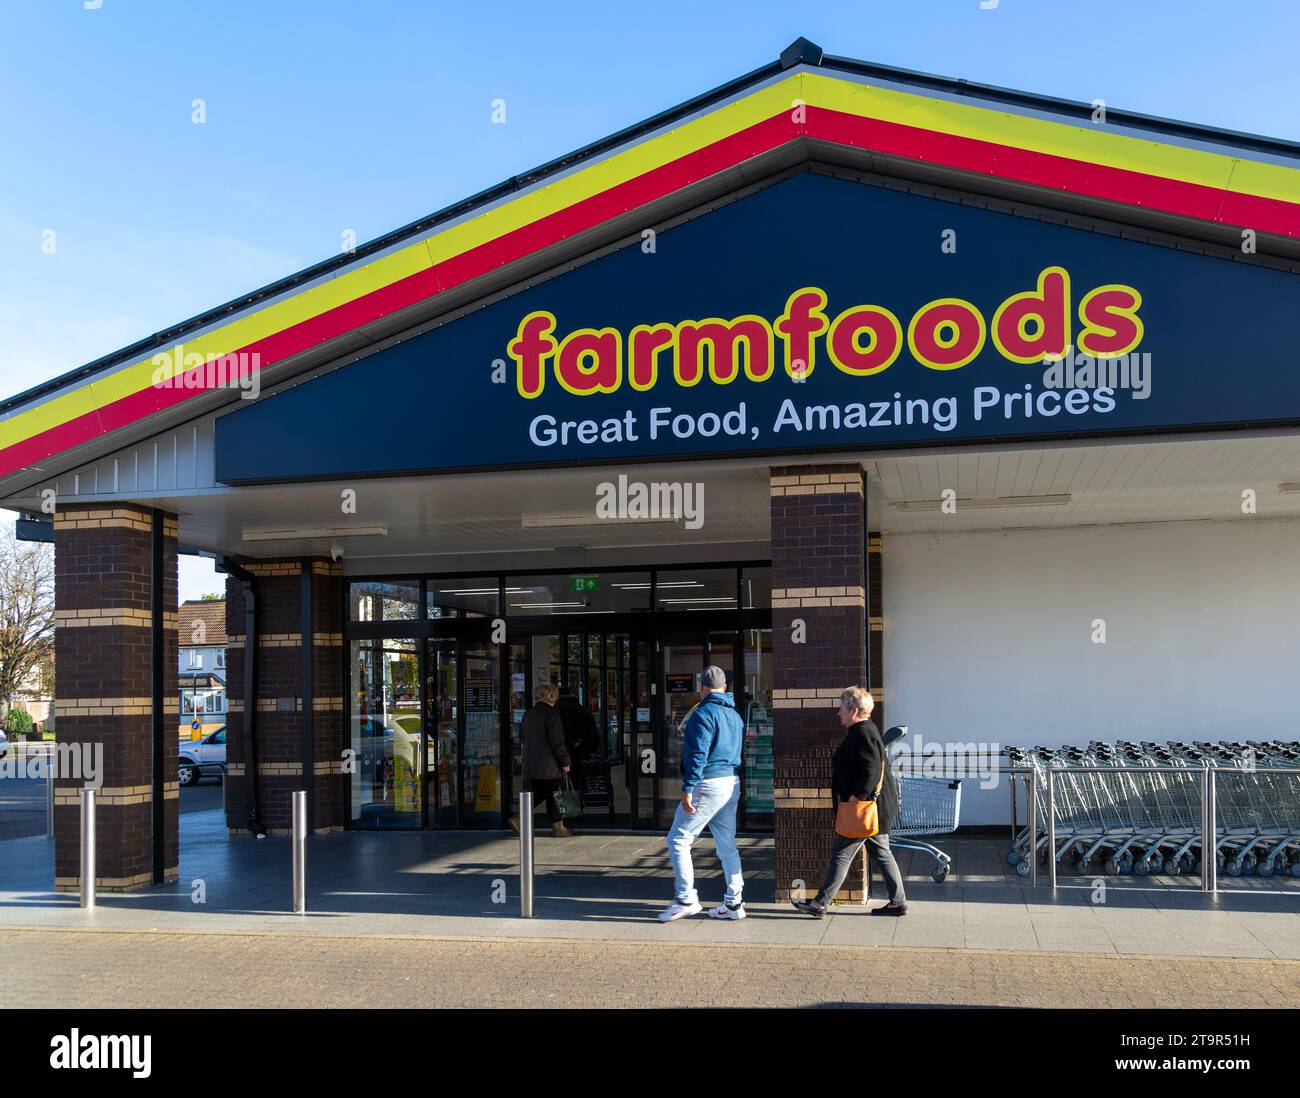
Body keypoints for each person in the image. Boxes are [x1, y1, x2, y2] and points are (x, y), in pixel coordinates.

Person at [792, 686, 907, 918]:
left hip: (863, 808)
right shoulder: (866, 729)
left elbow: (871, 770)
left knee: (841, 854)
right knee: (882, 853)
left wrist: (855, 799)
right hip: (874, 808)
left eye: (842, 708)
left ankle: (819, 904)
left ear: (853, 710)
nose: (838, 713)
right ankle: (898, 902)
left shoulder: (862, 733)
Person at [658, 666, 745, 922]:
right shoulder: (735, 716)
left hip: (708, 784)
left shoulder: (702, 714)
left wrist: (688, 787)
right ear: (725, 688)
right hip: (731, 782)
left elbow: (698, 755)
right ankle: (734, 902)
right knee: (727, 845)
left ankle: (686, 899)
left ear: (702, 689)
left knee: (678, 839)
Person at [509, 683, 573, 837]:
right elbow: (557, 741)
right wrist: (565, 761)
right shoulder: (552, 714)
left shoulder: (528, 714)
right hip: (550, 764)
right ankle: (559, 828)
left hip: (531, 763)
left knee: (536, 794)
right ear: (552, 697)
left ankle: (519, 819)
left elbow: (522, 737)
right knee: (554, 796)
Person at [555, 685, 597, 785]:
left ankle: (564, 799)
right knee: (578, 781)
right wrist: (591, 751)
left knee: (561, 784)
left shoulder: (555, 710)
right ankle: (577, 798)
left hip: (561, 753)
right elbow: (593, 733)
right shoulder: (582, 709)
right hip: (581, 752)